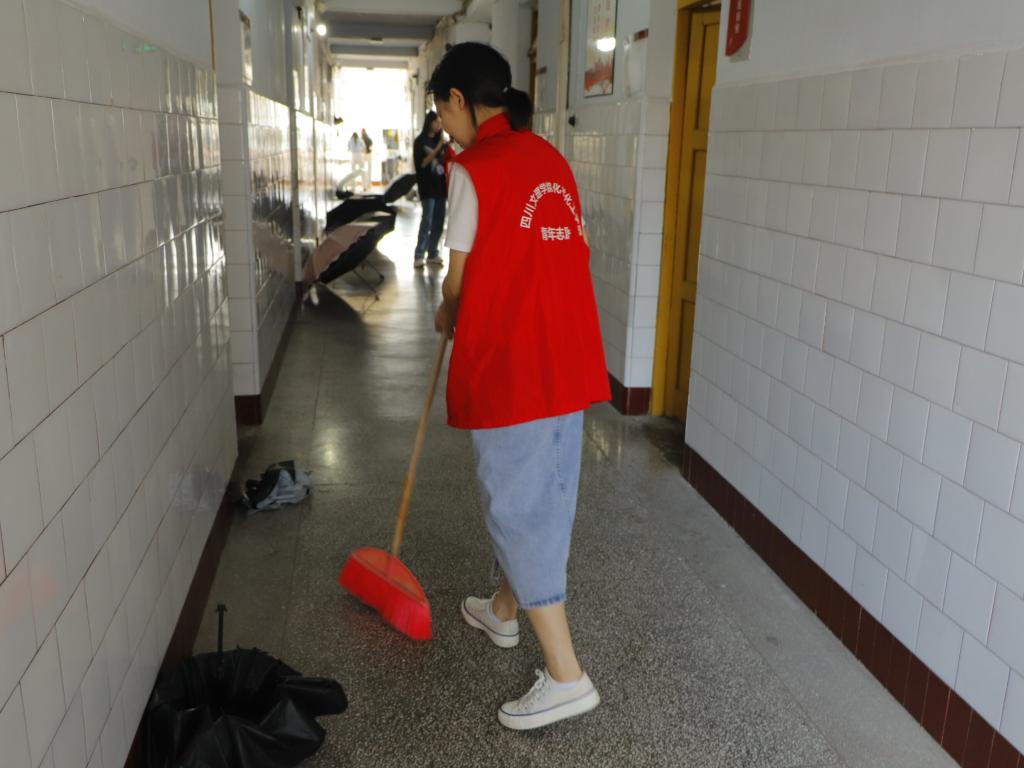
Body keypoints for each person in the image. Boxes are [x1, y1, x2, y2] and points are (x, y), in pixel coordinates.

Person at [430, 42, 611, 730]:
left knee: (518, 505)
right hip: (567, 358)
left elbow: (457, 279)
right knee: (545, 494)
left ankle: (566, 676)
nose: (445, 128)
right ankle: (504, 610)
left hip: (515, 364)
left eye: (443, 112)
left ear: (458, 100)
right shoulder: (550, 161)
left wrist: (447, 309)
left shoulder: (474, 170)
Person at [412, 111, 449, 268]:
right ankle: (419, 254)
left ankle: (432, 252)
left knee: (439, 221)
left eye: (440, 123)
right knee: (427, 220)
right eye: (436, 122)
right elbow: (422, 163)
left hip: (441, 187)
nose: (439, 125)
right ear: (429, 122)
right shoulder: (420, 142)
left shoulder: (441, 141)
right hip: (427, 187)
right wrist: (437, 149)